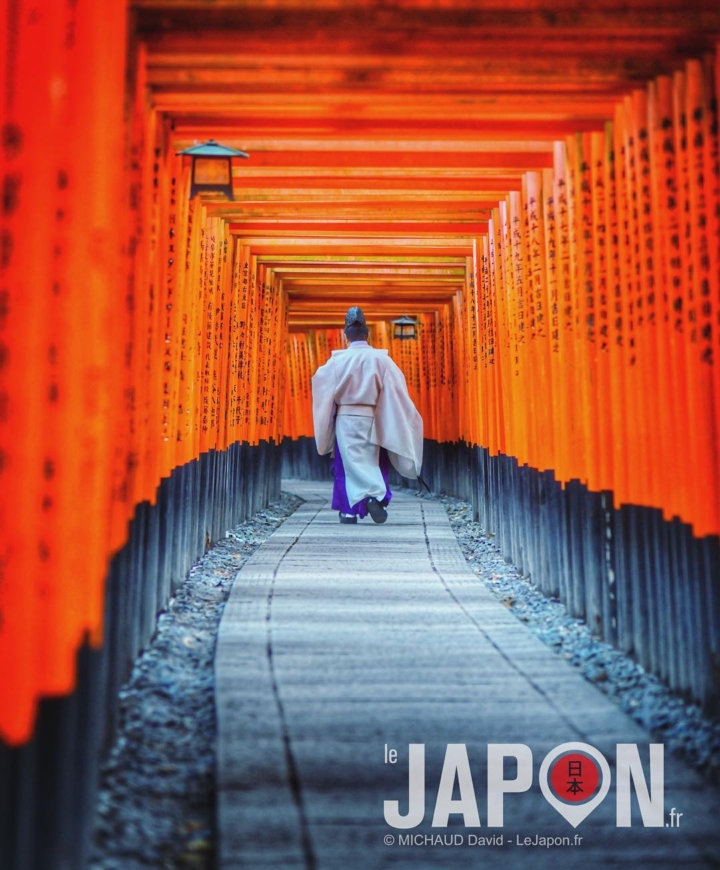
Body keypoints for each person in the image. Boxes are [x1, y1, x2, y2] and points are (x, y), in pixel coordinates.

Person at [311, 306, 423, 524]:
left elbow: (320, 383)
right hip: (373, 417)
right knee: (374, 461)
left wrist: (331, 411)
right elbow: (396, 391)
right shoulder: (382, 360)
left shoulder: (337, 361)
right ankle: (375, 496)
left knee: (347, 464)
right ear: (367, 335)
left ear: (346, 336)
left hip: (346, 418)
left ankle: (349, 511)